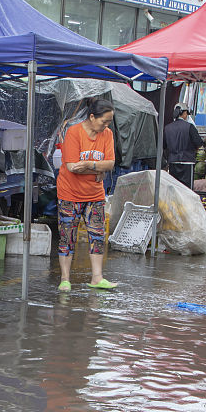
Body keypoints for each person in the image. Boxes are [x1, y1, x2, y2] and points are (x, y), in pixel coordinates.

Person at [57, 99, 117, 291]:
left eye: (109, 122)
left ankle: (97, 278)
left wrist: (91, 165)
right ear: (92, 117)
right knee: (68, 235)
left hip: (95, 195)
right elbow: (72, 167)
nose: (106, 126)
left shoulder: (107, 134)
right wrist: (99, 170)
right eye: (104, 121)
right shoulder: (74, 132)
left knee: (97, 235)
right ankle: (65, 279)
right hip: (70, 193)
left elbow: (110, 163)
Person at [163, 105, 204, 188]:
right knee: (187, 189)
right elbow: (199, 142)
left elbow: (163, 145)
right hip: (187, 162)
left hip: (173, 162)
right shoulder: (190, 127)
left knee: (175, 188)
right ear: (184, 113)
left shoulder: (167, 128)